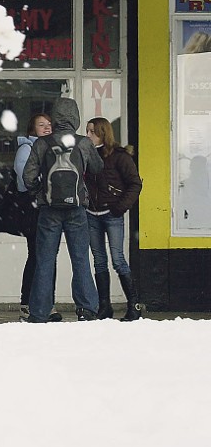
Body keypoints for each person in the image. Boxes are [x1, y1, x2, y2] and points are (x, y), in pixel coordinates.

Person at [23, 97, 103, 322]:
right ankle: (87, 309)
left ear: (54, 117)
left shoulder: (42, 143)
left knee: (45, 260)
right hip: (77, 209)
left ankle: (39, 311)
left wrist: (40, 192)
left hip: (49, 210)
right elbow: (98, 167)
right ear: (75, 117)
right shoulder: (84, 143)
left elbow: (28, 176)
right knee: (80, 259)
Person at [85, 117, 143, 321]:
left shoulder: (119, 156)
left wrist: (120, 208)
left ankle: (134, 305)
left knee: (118, 260)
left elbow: (135, 184)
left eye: (92, 131)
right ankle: (105, 307)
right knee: (99, 262)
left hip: (112, 215)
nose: (88, 135)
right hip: (91, 214)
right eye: (87, 131)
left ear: (103, 132)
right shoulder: (85, 154)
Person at [13, 113, 62, 322]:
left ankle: (47, 304)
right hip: (33, 208)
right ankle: (28, 304)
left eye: (49, 124)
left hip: (49, 207)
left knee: (48, 257)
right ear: (32, 129)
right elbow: (26, 180)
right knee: (36, 256)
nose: (46, 127)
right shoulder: (26, 149)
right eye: (41, 125)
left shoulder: (54, 147)